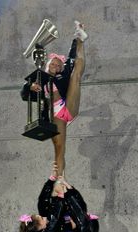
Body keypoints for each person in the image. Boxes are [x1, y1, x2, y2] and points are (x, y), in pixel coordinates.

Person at [21, 21, 88, 177]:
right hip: (56, 116)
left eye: (59, 65)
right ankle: (58, 178)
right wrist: (30, 87)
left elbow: (72, 58)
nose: (57, 66)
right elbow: (24, 94)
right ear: (47, 64)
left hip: (68, 106)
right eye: (54, 63)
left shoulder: (62, 77)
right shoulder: (40, 79)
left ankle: (81, 38)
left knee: (76, 73)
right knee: (59, 148)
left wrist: (76, 40)